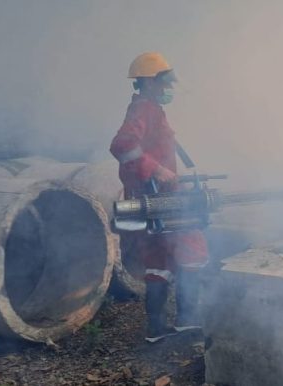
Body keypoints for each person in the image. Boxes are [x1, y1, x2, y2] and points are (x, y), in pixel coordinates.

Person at [110, 52, 209, 343]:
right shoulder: (145, 110)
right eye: (165, 82)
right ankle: (188, 319)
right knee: (192, 248)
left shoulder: (149, 108)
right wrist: (156, 170)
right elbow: (121, 145)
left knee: (158, 258)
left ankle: (157, 328)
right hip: (158, 197)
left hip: (150, 196)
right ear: (151, 82)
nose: (170, 88)